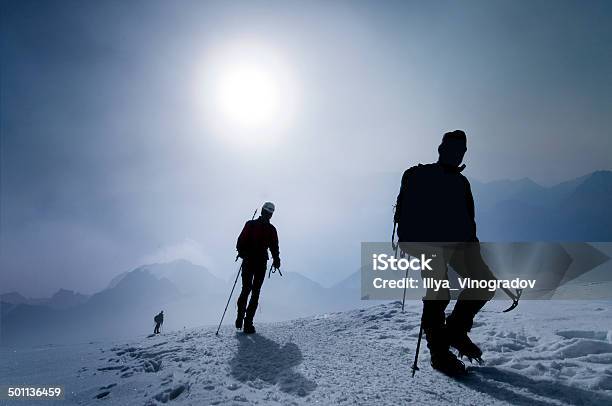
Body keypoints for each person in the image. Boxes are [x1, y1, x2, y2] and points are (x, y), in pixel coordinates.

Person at [394, 130, 495, 376]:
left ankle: (455, 333)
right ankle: (439, 353)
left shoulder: (456, 182)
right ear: (442, 150)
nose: (456, 154)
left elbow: (468, 224)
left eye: (460, 150)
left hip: (452, 246)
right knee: (438, 295)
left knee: (483, 284)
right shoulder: (432, 177)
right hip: (429, 246)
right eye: (453, 149)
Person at [235, 202, 281, 334]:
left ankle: (240, 318)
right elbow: (274, 247)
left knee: (246, 290)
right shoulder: (271, 230)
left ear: (262, 211)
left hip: (249, 261)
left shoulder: (250, 224)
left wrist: (242, 252)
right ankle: (248, 323)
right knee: (255, 292)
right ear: (271, 214)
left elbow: (240, 242)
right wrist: (276, 259)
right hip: (260, 262)